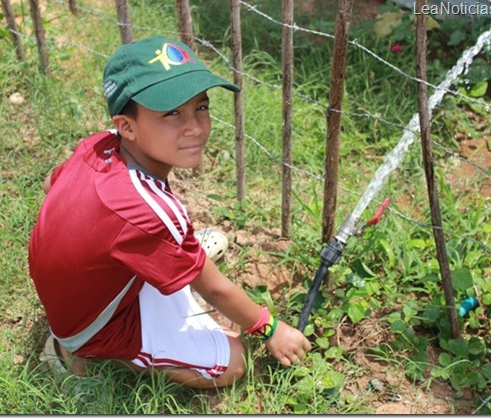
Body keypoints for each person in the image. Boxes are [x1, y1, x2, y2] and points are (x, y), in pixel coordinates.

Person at [28, 35, 311, 389]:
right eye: (172, 113)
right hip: (92, 325)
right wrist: (270, 327)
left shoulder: (98, 144)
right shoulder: (147, 207)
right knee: (236, 362)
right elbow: (216, 289)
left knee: (164, 241)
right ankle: (79, 354)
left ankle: (176, 258)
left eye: (201, 107)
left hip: (79, 290)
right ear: (126, 125)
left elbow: (49, 185)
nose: (194, 126)